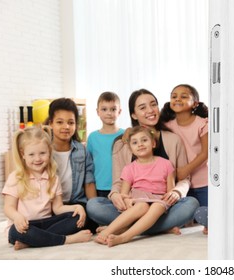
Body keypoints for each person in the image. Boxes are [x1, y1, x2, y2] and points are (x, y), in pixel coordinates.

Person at [87, 89, 199, 235]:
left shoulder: (173, 139)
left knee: (191, 203)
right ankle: (158, 228)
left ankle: (126, 227)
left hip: (163, 205)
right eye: (142, 107)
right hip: (134, 204)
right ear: (133, 114)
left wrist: (177, 192)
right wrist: (115, 195)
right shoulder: (122, 143)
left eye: (153, 105)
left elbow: (184, 179)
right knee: (93, 205)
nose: (150, 110)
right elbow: (118, 182)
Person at [2, 126, 92, 250]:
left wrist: (77, 207)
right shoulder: (16, 177)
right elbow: (8, 208)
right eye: (31, 154)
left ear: (49, 152)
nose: (37, 159)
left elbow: (58, 208)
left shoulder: (53, 178)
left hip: (48, 224)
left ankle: (34, 241)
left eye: (42, 153)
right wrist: (17, 217)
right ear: (23, 154)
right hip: (24, 226)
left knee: (76, 217)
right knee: (14, 232)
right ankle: (67, 240)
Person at [95, 126, 175, 246]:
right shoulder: (129, 168)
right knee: (142, 206)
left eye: (144, 140)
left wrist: (171, 196)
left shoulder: (166, 164)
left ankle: (124, 236)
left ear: (153, 143)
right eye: (135, 142)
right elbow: (124, 193)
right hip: (138, 199)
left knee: (157, 207)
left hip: (159, 200)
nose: (140, 144)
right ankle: (108, 231)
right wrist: (126, 200)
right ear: (131, 149)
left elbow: (170, 190)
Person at [160, 84, 208, 234]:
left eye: (183, 96)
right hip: (180, 185)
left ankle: (205, 221)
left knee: (204, 214)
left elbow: (206, 153)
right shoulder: (167, 126)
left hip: (202, 183)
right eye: (174, 96)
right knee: (180, 215)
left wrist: (186, 169)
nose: (177, 99)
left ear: (195, 103)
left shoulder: (202, 123)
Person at [47, 98, 97, 232]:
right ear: (51, 123)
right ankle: (48, 232)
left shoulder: (82, 150)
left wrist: (94, 208)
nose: (66, 127)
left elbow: (89, 182)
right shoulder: (44, 151)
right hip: (51, 205)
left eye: (71, 122)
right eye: (59, 122)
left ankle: (42, 233)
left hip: (76, 204)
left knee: (85, 218)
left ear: (76, 125)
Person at [87, 91, 124, 198]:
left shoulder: (125, 135)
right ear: (97, 111)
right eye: (104, 109)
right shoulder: (93, 137)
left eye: (113, 109)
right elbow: (89, 165)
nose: (109, 113)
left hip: (122, 186)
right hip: (100, 187)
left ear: (119, 111)